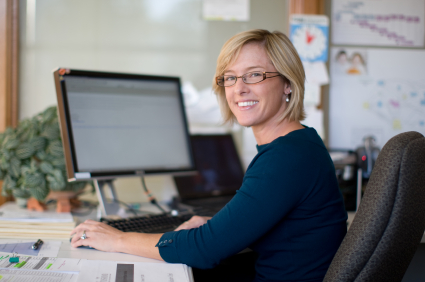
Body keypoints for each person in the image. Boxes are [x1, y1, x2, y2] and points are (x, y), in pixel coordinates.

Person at [71, 29, 348, 282]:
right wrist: (217, 225)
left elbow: (206, 249)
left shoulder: (287, 157)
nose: (239, 88)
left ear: (288, 83)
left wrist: (118, 239)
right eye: (230, 77)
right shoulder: (300, 144)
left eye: (254, 75)